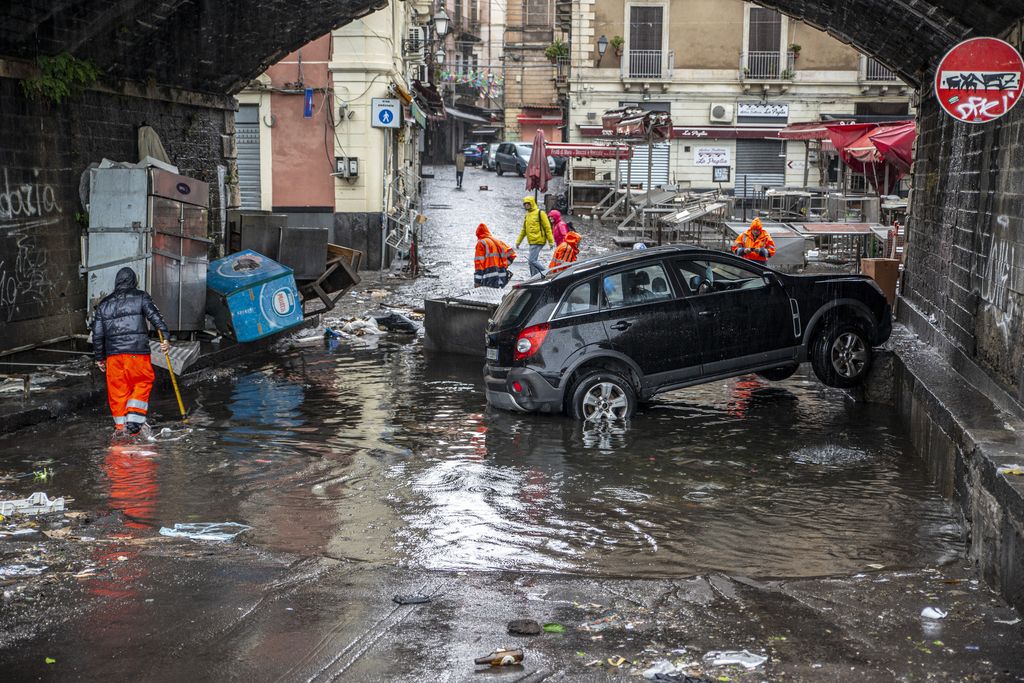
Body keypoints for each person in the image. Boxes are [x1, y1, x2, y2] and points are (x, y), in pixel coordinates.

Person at [92, 267, 169, 435]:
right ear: (134, 281)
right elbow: (156, 317)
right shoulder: (141, 297)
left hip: (113, 357)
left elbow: (97, 334)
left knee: (118, 392)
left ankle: (121, 432)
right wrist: (166, 337)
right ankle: (134, 421)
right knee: (142, 381)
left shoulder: (104, 304)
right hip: (137, 353)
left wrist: (99, 357)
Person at [515, 196, 554, 276]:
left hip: (539, 240)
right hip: (531, 241)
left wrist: (551, 242)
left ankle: (546, 272)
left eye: (527, 204)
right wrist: (518, 241)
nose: (526, 206)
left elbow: (547, 228)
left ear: (531, 203)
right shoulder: (527, 215)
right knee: (532, 262)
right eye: (525, 204)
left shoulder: (540, 213)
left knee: (531, 260)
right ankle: (535, 277)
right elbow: (524, 230)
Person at [474, 223, 516, 288]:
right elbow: (512, 254)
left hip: (489, 277)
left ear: (478, 234)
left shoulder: (481, 243)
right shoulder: (498, 241)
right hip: (502, 275)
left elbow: (479, 264)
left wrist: (477, 282)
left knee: (488, 296)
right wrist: (504, 264)